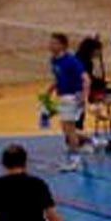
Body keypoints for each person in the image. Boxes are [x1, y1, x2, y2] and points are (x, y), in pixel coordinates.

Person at [46, 32, 89, 167]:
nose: (50, 45)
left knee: (69, 129)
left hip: (72, 96)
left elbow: (86, 79)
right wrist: (48, 91)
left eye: (53, 42)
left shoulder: (71, 60)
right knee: (65, 128)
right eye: (50, 42)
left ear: (62, 45)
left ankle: (75, 159)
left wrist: (84, 96)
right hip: (62, 96)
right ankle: (93, 140)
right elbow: (58, 79)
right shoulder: (54, 60)